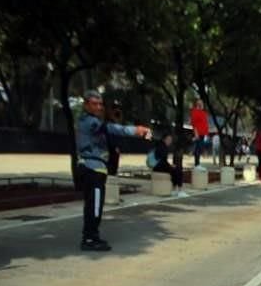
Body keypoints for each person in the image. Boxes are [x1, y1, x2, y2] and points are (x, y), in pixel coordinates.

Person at [75, 91, 149, 251]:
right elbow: (112, 128)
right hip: (92, 169)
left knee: (94, 205)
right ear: (86, 105)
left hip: (96, 169)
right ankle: (89, 238)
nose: (98, 107)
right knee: (94, 205)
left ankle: (91, 236)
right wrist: (134, 130)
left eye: (100, 104)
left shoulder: (94, 122)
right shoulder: (89, 122)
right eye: (94, 104)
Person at [151, 132, 187, 197]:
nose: (170, 141)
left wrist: (170, 166)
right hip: (159, 167)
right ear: (164, 139)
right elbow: (163, 160)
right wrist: (170, 165)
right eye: (168, 139)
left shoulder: (161, 145)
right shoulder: (162, 147)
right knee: (178, 170)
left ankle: (174, 189)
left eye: (170, 140)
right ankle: (180, 190)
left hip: (158, 166)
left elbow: (163, 160)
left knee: (175, 170)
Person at [189, 98, 209, 168]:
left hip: (203, 134)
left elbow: (205, 123)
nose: (201, 104)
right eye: (199, 103)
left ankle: (197, 163)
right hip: (198, 133)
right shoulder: (195, 111)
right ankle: (197, 164)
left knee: (199, 148)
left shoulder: (203, 112)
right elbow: (193, 123)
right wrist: (196, 133)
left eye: (202, 103)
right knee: (198, 148)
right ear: (197, 104)